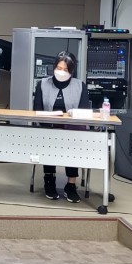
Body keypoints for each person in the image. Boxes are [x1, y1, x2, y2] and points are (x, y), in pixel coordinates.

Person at [32, 51, 90, 203]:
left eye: (66, 69)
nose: (61, 72)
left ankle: (71, 185)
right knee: (48, 139)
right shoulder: (43, 84)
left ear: (71, 71)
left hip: (72, 130)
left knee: (74, 141)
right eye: (59, 68)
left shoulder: (80, 86)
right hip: (48, 128)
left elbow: (83, 111)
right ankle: (49, 180)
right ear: (54, 67)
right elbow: (37, 109)